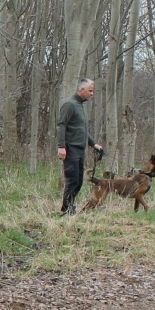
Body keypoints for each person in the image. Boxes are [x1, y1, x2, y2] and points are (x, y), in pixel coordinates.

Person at [56, 77, 104, 215]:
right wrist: (61, 147)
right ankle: (67, 210)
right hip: (70, 149)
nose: (92, 94)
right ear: (82, 90)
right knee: (72, 180)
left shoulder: (81, 106)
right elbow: (61, 126)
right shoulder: (69, 105)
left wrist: (94, 144)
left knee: (79, 181)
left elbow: (81, 130)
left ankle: (70, 207)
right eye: (90, 91)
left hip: (80, 150)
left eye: (92, 91)